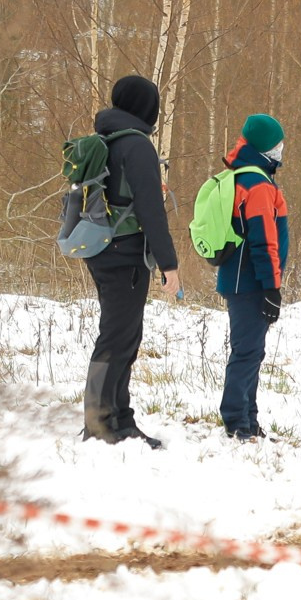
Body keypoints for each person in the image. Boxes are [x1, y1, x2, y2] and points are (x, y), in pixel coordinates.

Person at [82, 74, 179, 447]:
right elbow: (151, 209)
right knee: (116, 338)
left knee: (123, 336)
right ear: (147, 108)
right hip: (125, 253)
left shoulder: (108, 136)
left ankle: (119, 419)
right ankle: (100, 423)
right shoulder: (136, 145)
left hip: (104, 249)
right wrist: (169, 264)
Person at [214, 113, 290, 442]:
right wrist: (271, 287)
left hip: (241, 280)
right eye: (276, 145)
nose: (281, 150)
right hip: (250, 282)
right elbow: (263, 241)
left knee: (252, 351)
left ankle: (248, 417)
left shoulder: (245, 176)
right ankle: (235, 420)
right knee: (246, 351)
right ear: (263, 147)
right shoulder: (257, 185)